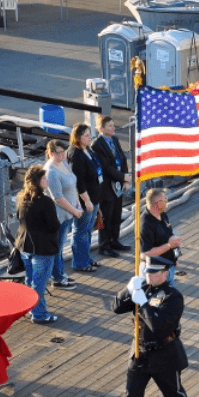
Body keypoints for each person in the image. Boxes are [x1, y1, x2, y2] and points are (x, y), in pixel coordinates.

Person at [105, 256, 195, 397]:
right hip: (139, 353)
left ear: (164, 273)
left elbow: (160, 328)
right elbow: (116, 307)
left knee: (174, 394)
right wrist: (127, 290)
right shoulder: (142, 288)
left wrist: (143, 304)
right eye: (147, 271)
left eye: (154, 272)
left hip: (164, 354)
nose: (149, 275)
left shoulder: (173, 297)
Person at [16, 165, 61, 324]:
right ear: (37, 182)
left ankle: (31, 308)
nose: (46, 180)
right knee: (39, 283)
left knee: (30, 280)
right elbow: (54, 225)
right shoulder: (46, 202)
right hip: (42, 248)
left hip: (24, 246)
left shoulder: (21, 198)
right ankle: (39, 314)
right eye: (44, 178)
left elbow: (19, 218)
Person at [91, 115, 132, 257]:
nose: (113, 128)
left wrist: (125, 179)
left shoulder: (114, 140)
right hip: (107, 187)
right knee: (107, 215)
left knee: (116, 214)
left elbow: (122, 159)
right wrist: (122, 177)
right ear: (101, 129)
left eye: (113, 125)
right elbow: (106, 167)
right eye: (110, 126)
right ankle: (104, 245)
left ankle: (115, 240)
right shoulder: (97, 145)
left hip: (118, 185)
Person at [43, 139, 80, 290]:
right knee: (57, 247)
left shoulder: (63, 163)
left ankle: (59, 273)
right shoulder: (50, 171)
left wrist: (77, 203)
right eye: (59, 153)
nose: (62, 155)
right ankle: (57, 277)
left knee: (60, 244)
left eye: (63, 152)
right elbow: (57, 197)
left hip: (68, 214)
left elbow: (73, 183)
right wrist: (74, 210)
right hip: (59, 216)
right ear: (51, 153)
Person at [67, 123, 102, 273]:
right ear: (78, 138)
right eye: (86, 135)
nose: (90, 137)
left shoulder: (87, 150)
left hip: (94, 196)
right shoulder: (76, 155)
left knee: (88, 230)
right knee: (80, 231)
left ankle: (86, 258)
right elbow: (79, 182)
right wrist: (87, 201)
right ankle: (79, 262)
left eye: (90, 134)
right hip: (84, 201)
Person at [141, 188, 181, 286]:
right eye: (164, 200)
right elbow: (147, 252)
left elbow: (168, 233)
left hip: (169, 264)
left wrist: (175, 255)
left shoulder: (162, 214)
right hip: (157, 270)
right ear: (157, 203)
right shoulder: (145, 225)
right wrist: (169, 246)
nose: (166, 201)